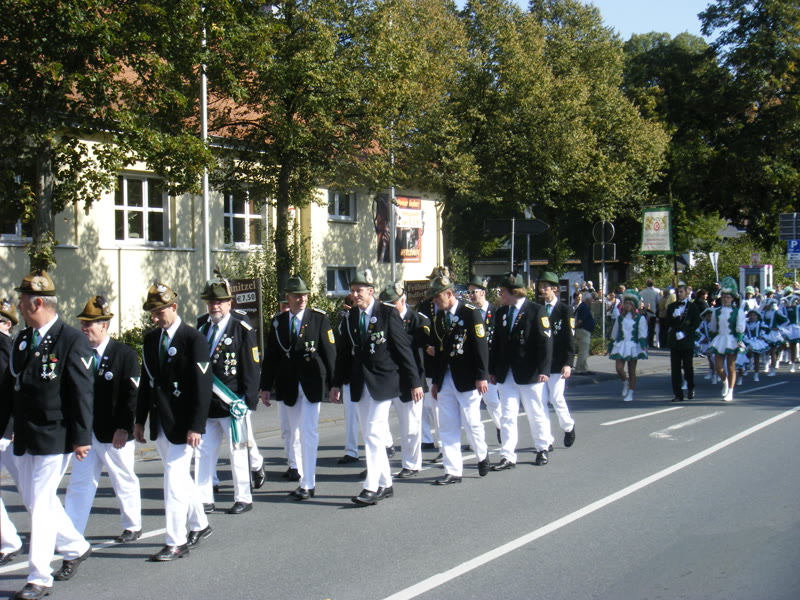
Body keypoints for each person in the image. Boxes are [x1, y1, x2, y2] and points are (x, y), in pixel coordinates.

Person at [0, 270, 93, 600]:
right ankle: (76, 546)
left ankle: (39, 577)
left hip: (56, 433)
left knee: (39, 503)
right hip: (26, 434)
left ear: (37, 302)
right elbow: (10, 389)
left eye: (23, 300)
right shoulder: (23, 339)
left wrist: (82, 437)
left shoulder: (71, 339)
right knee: (34, 499)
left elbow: (81, 392)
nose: (19, 306)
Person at [329, 270, 422, 505]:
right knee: (372, 434)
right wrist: (336, 383)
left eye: (359, 290)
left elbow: (403, 350)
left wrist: (414, 382)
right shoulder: (349, 317)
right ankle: (386, 483)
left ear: (371, 291)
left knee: (372, 432)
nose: (354, 295)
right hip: (359, 383)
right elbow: (343, 354)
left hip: (383, 382)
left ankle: (371, 486)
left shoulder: (387, 313)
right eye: (352, 290)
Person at [134, 282, 212, 561]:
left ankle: (176, 541)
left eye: (160, 312)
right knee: (179, 477)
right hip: (160, 421)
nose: (156, 318)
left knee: (173, 482)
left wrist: (197, 426)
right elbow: (147, 383)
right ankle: (200, 524)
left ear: (174, 307)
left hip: (183, 424)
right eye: (152, 313)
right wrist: (139, 419)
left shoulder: (193, 339)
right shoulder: (151, 340)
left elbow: (203, 386)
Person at [63, 295, 142, 542]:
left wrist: (124, 427)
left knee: (123, 478)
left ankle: (132, 525)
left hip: (114, 432)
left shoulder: (124, 354)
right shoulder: (78, 353)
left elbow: (131, 395)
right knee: (80, 483)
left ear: (104, 325)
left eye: (89, 324)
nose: (84, 328)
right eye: (83, 323)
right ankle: (72, 532)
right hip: (86, 433)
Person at [261, 275, 336, 500]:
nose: (302, 299)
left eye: (304, 295)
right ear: (288, 297)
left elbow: (330, 353)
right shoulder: (279, 322)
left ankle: (308, 483)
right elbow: (271, 357)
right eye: (297, 296)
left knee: (308, 431)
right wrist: (265, 386)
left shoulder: (319, 318)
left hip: (312, 382)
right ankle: (298, 471)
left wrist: (335, 384)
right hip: (288, 384)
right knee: (291, 431)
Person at [195, 277, 262, 514]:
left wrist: (248, 402)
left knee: (238, 451)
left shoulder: (241, 329)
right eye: (211, 302)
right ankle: (204, 498)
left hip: (233, 403)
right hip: (207, 404)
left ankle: (243, 497)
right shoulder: (202, 329)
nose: (215, 306)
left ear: (229, 303)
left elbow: (251, 367)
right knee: (203, 453)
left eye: (220, 302)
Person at [427, 275, 492, 482]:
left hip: (467, 378)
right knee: (447, 426)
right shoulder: (439, 317)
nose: (435, 301)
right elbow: (439, 351)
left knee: (472, 423)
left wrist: (481, 376)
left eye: (437, 296)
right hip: (446, 378)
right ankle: (453, 470)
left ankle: (482, 454)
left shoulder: (470, 313)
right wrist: (436, 381)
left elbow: (481, 346)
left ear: (449, 293)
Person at [489, 273, 553, 468]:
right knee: (507, 415)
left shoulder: (536, 310)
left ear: (514, 292)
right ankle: (507, 455)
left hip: (529, 371)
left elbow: (545, 342)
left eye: (503, 291)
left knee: (535, 412)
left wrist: (544, 369)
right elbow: (496, 343)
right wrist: (492, 370)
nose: (500, 295)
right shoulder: (501, 312)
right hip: (506, 372)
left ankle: (542, 448)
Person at [379, 282, 429, 478]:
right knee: (377, 423)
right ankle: (379, 463)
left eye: (392, 303)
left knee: (410, 426)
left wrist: (416, 383)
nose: (389, 307)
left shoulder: (418, 320)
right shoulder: (381, 319)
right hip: (388, 379)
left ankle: (411, 464)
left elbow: (416, 352)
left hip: (410, 380)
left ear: (402, 300)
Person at [536, 272, 576, 448]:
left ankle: (568, 426)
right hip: (541, 364)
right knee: (541, 401)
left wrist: (568, 363)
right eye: (541, 287)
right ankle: (546, 439)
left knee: (556, 398)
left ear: (555, 289)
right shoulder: (538, 309)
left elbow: (569, 338)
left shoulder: (565, 310)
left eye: (545, 287)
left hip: (558, 362)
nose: (542, 290)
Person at [0, 298, 23, 568]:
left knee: (32, 492)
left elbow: (16, 391)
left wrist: (13, 427)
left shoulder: (8, 347)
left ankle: (67, 539)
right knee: (31, 491)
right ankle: (8, 542)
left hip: (8, 431)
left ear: (7, 324)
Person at [466, 276, 501, 441]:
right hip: (473, 364)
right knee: (471, 406)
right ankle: (475, 441)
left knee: (491, 401)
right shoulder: (468, 313)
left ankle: (501, 427)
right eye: (469, 292)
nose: (472, 295)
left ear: (483, 292)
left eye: (475, 292)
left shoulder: (496, 312)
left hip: (490, 364)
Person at [708, 277, 746, 402]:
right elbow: (713, 327)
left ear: (732, 299)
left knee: (731, 366)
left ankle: (730, 391)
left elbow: (740, 327)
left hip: (732, 340)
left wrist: (739, 340)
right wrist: (712, 340)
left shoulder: (737, 311)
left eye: (728, 297)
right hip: (720, 339)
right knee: (718, 367)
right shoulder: (716, 311)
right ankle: (725, 381)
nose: (725, 299)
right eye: (724, 297)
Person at [609, 289, 648, 402]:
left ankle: (630, 392)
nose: (628, 305)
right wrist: (610, 347)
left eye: (630, 304)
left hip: (633, 346)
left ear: (634, 305)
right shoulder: (620, 318)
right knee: (619, 368)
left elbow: (642, 333)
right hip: (621, 345)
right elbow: (614, 333)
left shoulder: (640, 318)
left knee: (632, 371)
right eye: (626, 303)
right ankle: (624, 382)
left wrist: (643, 346)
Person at [335, 294, 360, 466]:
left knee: (372, 418)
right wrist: (336, 382)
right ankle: (351, 451)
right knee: (350, 415)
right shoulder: (345, 320)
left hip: (369, 377)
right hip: (350, 374)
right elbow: (341, 350)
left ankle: (386, 444)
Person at [666, 285, 701, 402]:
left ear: (687, 293)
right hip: (675, 341)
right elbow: (667, 322)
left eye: (681, 292)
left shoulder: (693, 307)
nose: (679, 294)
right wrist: (673, 317)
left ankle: (690, 387)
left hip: (687, 341)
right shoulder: (672, 307)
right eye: (678, 292)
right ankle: (678, 394)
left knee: (687, 367)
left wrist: (685, 333)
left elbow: (696, 322)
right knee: (675, 369)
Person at [573, 292, 595, 373]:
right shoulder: (584, 308)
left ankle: (584, 368)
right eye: (591, 299)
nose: (592, 300)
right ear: (587, 299)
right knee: (583, 351)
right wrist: (573, 328)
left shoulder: (581, 306)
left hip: (582, 331)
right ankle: (579, 369)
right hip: (583, 331)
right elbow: (580, 320)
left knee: (584, 350)